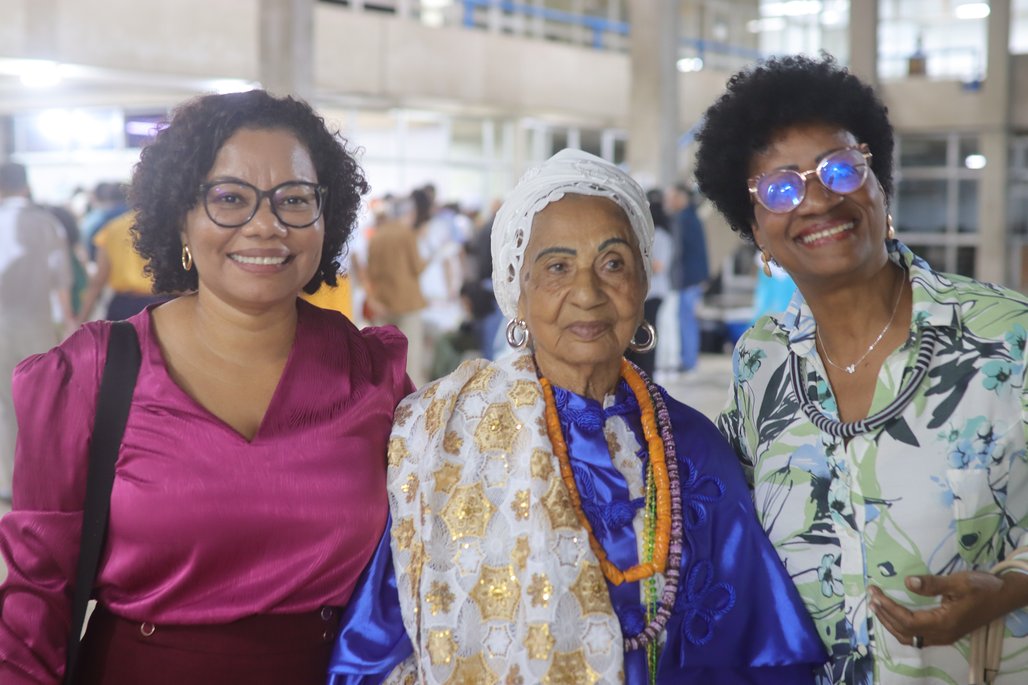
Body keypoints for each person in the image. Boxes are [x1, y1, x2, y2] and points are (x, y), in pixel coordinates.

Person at [327, 148, 827, 684]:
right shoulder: (441, 432)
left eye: (613, 264)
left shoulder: (692, 447)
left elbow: (758, 653)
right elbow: (373, 650)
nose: (587, 293)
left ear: (641, 285)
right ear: (518, 291)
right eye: (557, 267)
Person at [0, 90, 412, 684]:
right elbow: (35, 599)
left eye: (294, 199)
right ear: (181, 218)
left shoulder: (375, 375)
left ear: (328, 216)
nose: (266, 224)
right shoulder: (95, 372)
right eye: (230, 199)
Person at [695, 54, 1028, 684]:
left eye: (840, 168)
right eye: (781, 187)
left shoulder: (1007, 336)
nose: (818, 199)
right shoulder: (760, 364)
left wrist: (1013, 586)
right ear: (758, 232)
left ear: (878, 184)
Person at [0, 163, 75, 502]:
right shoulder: (48, 224)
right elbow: (61, 280)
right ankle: (44, 479)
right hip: (38, 324)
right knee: (43, 403)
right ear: (25, 186)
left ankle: (8, 481)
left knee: (3, 406)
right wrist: (71, 321)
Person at [365, 194, 428, 387]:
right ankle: (410, 402)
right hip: (408, 302)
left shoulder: (377, 235)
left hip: (383, 301)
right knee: (410, 358)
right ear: (409, 213)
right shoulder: (407, 234)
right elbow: (416, 267)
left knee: (386, 356)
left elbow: (371, 272)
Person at [78, 210, 167, 321]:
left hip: (122, 306)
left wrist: (81, 320)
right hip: (163, 304)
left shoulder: (112, 228)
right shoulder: (169, 225)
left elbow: (99, 280)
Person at [626, 188, 673, 377]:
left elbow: (659, 266)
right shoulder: (648, 235)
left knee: (647, 332)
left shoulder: (661, 237)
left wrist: (639, 261)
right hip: (643, 294)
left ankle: (647, 373)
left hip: (654, 293)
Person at [666, 183, 709, 373]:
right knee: (687, 318)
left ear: (681, 198)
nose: (670, 202)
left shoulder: (683, 220)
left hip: (688, 278)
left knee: (686, 318)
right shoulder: (692, 217)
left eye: (673, 197)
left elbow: (679, 252)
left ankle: (688, 360)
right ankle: (689, 359)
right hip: (693, 277)